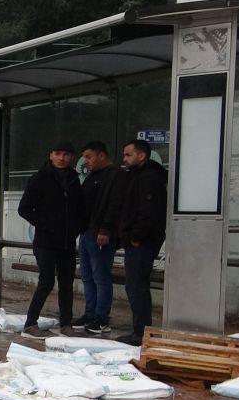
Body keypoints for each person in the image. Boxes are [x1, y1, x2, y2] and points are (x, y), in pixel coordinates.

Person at [18, 141, 84, 340]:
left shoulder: (74, 178)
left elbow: (79, 207)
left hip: (67, 240)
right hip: (46, 240)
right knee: (46, 281)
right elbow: (24, 208)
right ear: (51, 155)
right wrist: (45, 224)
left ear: (71, 157)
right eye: (57, 153)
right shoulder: (39, 178)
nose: (61, 158)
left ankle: (66, 323)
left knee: (66, 283)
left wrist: (76, 227)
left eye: (65, 154)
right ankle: (30, 323)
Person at [112, 139, 167, 346]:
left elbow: (148, 211)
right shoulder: (136, 176)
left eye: (128, 155)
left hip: (142, 242)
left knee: (137, 286)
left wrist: (135, 237)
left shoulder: (149, 178)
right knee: (135, 286)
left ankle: (141, 332)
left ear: (141, 155)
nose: (124, 159)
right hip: (136, 240)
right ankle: (139, 330)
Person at [73, 141, 123, 334]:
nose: (86, 161)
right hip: (86, 233)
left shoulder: (116, 175)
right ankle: (90, 313)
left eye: (89, 157)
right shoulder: (91, 177)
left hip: (100, 234)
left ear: (102, 155)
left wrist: (106, 230)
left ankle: (102, 317)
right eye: (85, 157)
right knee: (87, 276)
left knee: (101, 276)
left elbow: (114, 204)